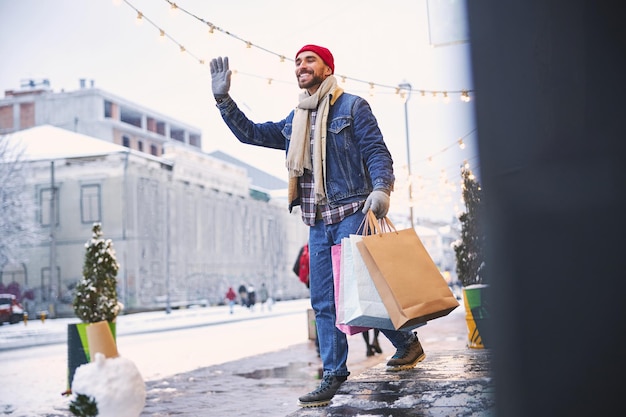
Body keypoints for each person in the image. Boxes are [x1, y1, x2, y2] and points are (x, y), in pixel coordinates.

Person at [210, 45, 425, 408]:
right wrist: (223, 100)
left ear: (327, 68)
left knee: (358, 292)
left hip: (354, 210)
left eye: (309, 60)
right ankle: (335, 372)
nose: (301, 66)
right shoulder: (296, 120)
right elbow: (252, 134)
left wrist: (382, 189)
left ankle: (404, 343)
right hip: (317, 219)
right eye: (297, 62)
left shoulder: (353, 107)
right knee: (323, 300)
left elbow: (376, 152)